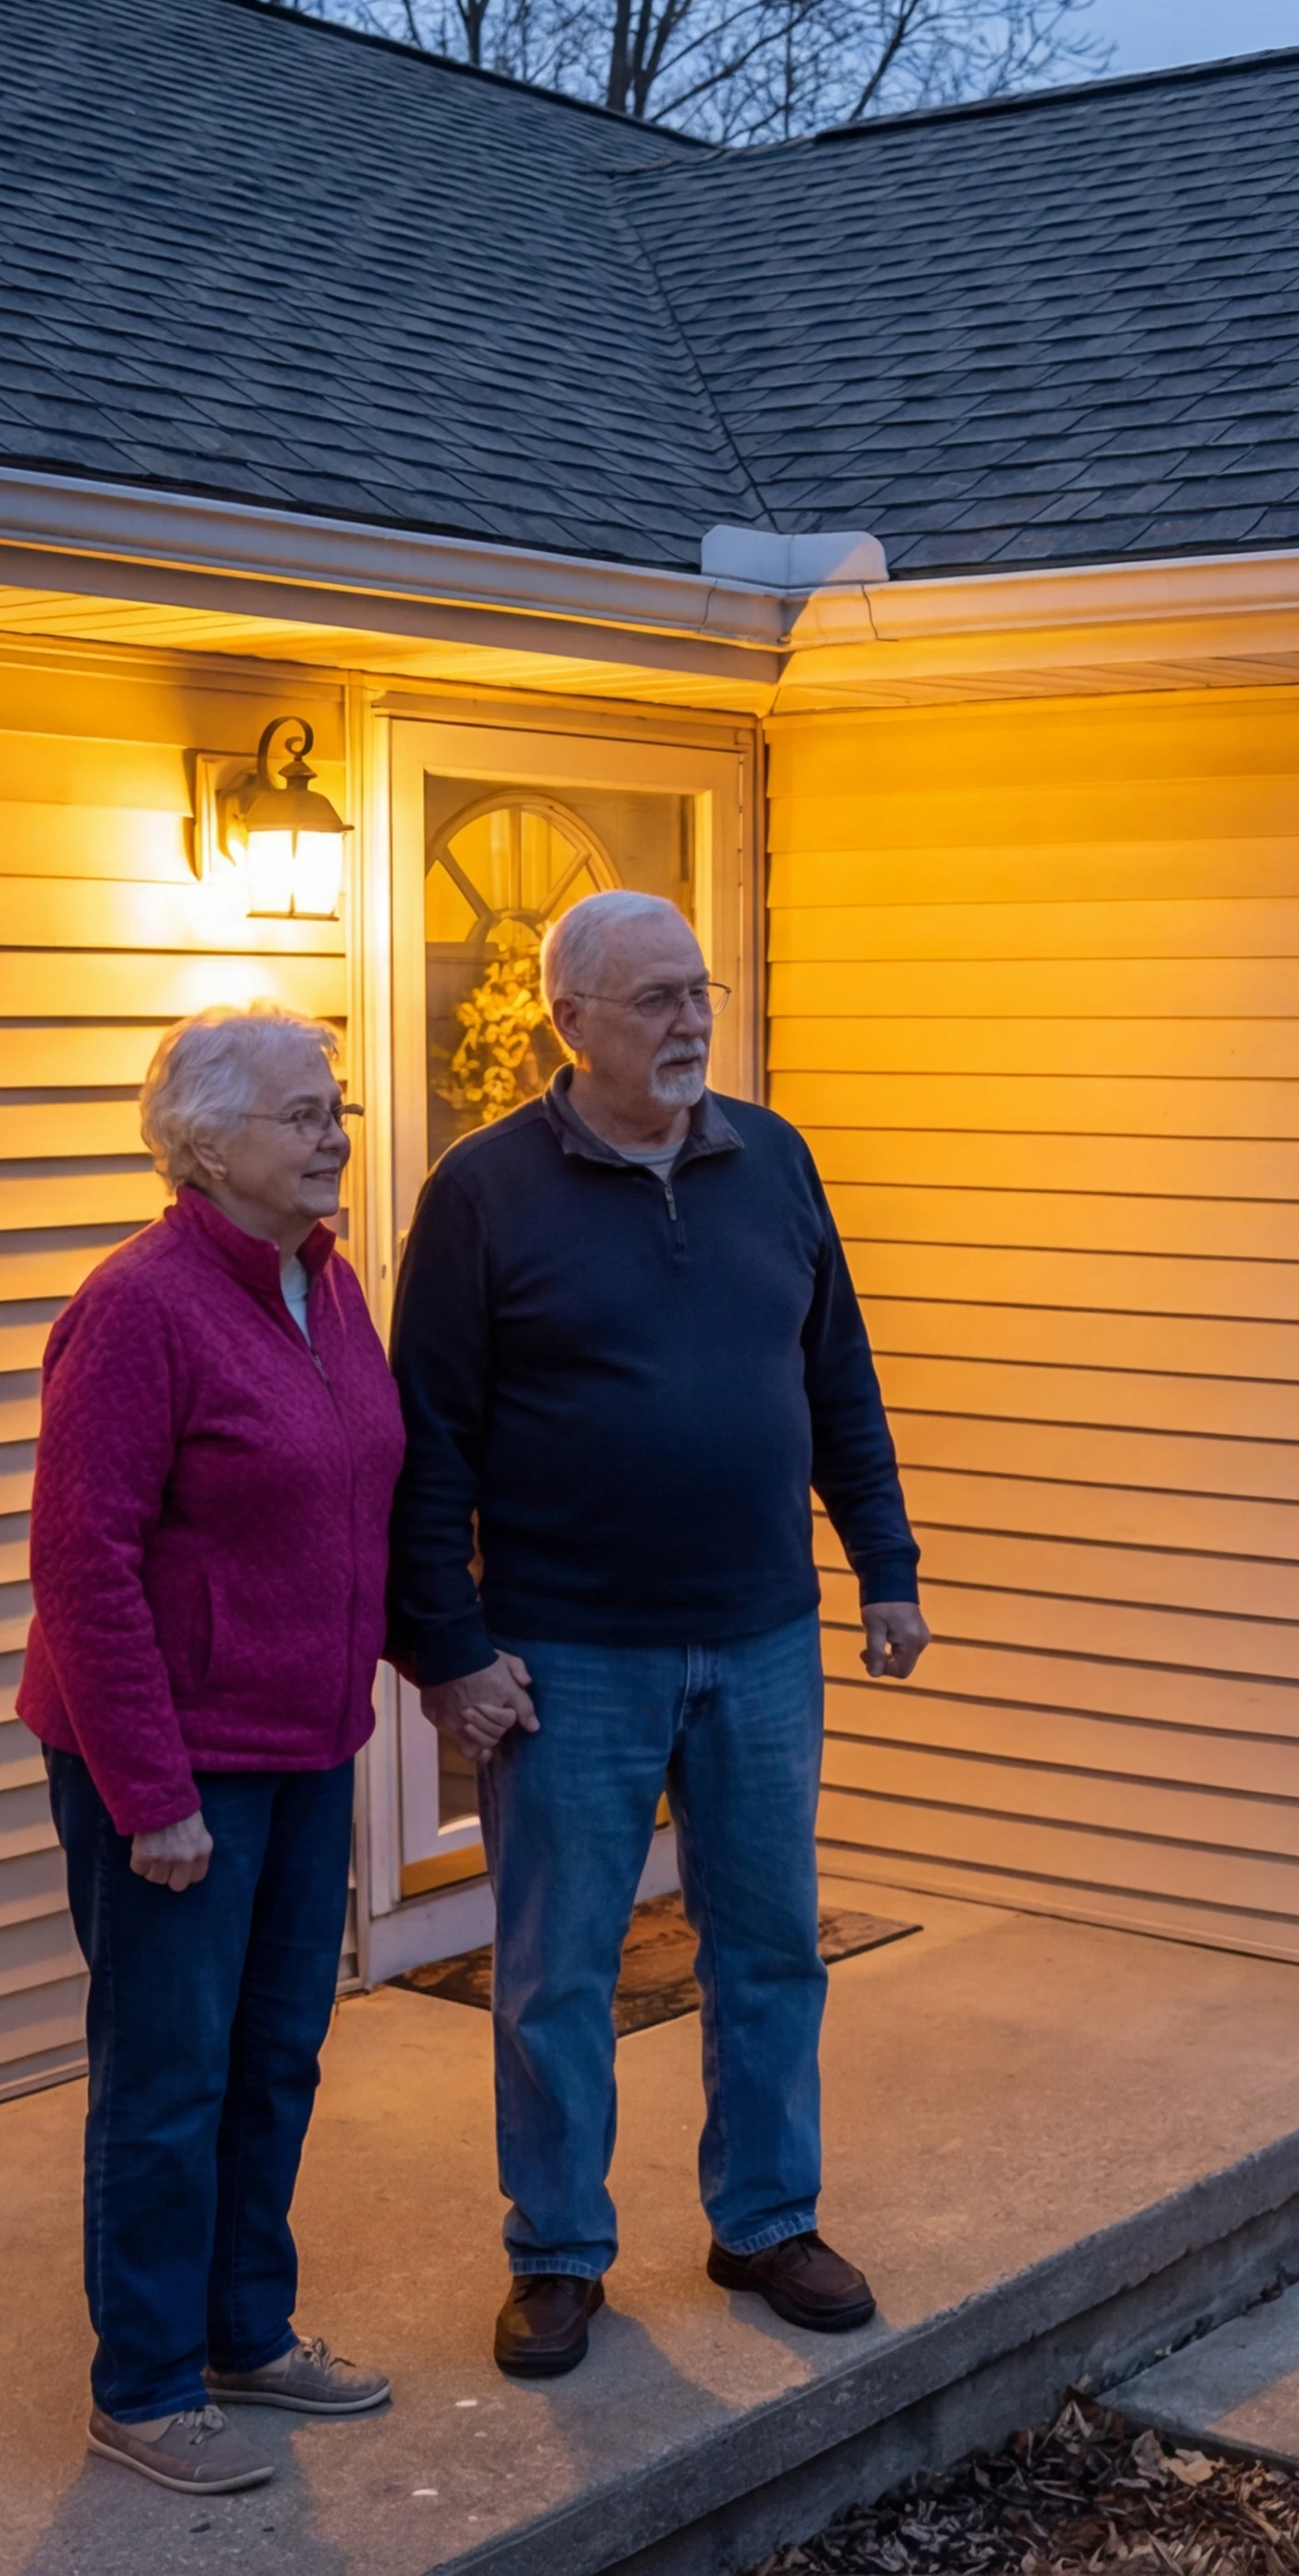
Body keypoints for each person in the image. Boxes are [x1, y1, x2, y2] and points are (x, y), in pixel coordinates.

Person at [386, 890, 932, 2382]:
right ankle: (559, 2252)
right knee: (558, 1970)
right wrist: (447, 1647)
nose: (692, 1022)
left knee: (769, 1949)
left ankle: (766, 2220)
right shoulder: (484, 1193)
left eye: (700, 992)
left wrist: (884, 1564)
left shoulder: (774, 1159)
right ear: (571, 1024)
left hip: (761, 1638)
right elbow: (426, 1441)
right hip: (570, 1654)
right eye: (656, 1000)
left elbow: (839, 1378)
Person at [17, 1005, 533, 2495]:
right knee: (168, 2075)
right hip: (175, 1767)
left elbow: (355, 1508)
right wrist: (152, 1795)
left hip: (308, 1749)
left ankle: (245, 2329)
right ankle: (145, 2383)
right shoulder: (139, 1309)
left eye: (337, 1111)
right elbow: (84, 1569)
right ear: (206, 1143)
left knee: (276, 2057)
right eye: (303, 1115)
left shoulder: (327, 1283)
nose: (335, 1138)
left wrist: (438, 1659)